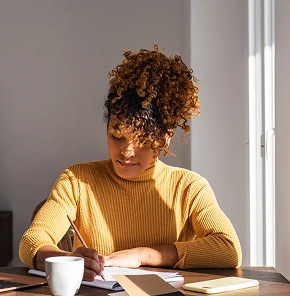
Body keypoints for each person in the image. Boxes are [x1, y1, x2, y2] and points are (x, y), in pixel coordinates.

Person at [19, 45, 242, 281]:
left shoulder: (189, 187)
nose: (126, 151)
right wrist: (66, 261)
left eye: (142, 141)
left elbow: (227, 249)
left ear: (164, 138)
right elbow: (31, 241)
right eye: (117, 135)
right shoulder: (77, 180)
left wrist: (145, 254)